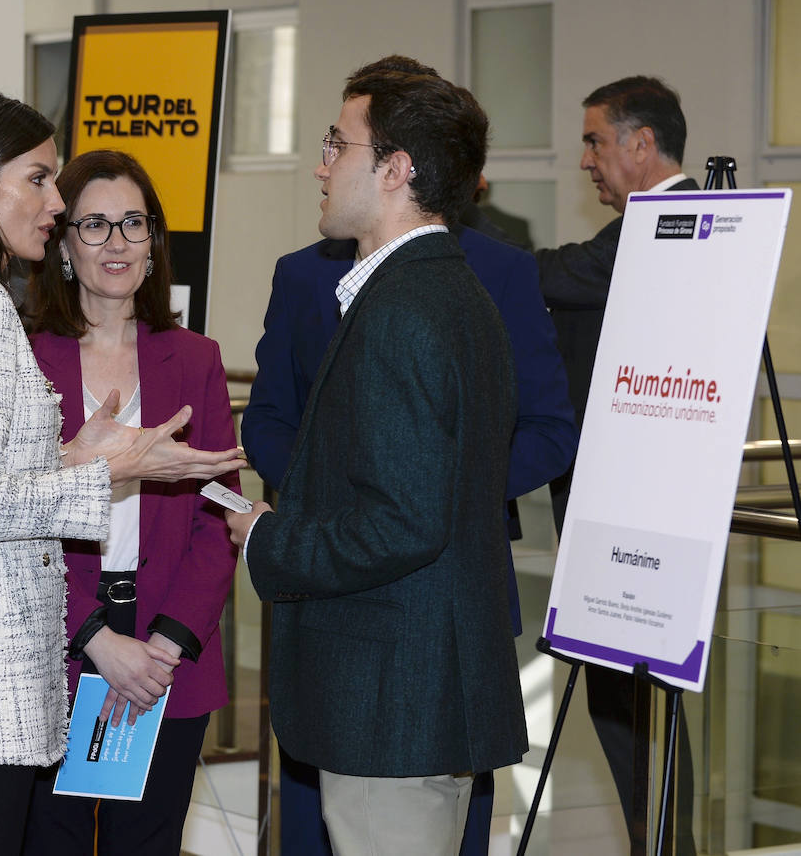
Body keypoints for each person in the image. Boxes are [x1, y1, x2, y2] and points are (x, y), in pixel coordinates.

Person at [0, 89, 245, 855]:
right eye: (41, 181)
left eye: (133, 223)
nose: (58, 202)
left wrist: (77, 458)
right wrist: (107, 468)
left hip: (46, 658)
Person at [239, 54, 577, 856]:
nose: (320, 164)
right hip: (411, 695)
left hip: (392, 706)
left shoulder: (405, 313)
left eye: (336, 143)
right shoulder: (447, 291)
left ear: (395, 169)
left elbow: (403, 521)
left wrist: (266, 534)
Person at [23, 150, 241, 854]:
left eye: (132, 223)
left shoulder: (197, 358)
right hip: (56, 647)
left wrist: (161, 648)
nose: (116, 242)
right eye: (93, 224)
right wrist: (94, 638)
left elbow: (219, 517)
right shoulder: (22, 356)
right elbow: (18, 519)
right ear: (62, 244)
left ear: (154, 243)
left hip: (165, 658)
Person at [537, 75, 698, 855]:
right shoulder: (641, 226)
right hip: (611, 502)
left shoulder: (684, 222)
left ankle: (663, 843)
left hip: (640, 513)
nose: (586, 161)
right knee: (623, 697)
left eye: (597, 140)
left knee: (641, 702)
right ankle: (656, 841)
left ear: (642, 143)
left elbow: (565, 275)